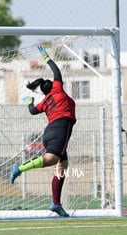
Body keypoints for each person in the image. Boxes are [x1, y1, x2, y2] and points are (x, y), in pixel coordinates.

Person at [10, 45, 76, 217]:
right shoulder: (57, 89)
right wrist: (45, 56)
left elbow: (32, 110)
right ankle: (20, 168)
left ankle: (56, 204)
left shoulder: (45, 101)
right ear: (53, 85)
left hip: (49, 132)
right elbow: (56, 71)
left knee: (62, 166)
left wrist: (29, 101)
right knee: (51, 160)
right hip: (60, 129)